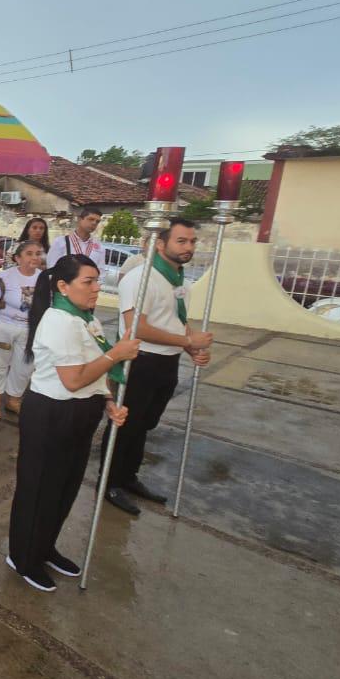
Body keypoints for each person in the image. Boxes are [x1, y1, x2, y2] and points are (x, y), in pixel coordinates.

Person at [7, 254, 136, 592]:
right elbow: (73, 380)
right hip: (52, 413)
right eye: (88, 282)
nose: (96, 289)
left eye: (98, 280)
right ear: (63, 286)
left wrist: (108, 401)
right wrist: (117, 354)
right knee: (38, 489)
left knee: (64, 488)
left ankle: (45, 547)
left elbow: (93, 368)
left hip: (82, 412)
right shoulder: (58, 321)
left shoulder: (84, 317)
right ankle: (23, 558)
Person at [100, 218, 212, 515]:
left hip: (167, 361)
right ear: (160, 244)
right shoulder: (141, 279)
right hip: (140, 361)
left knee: (145, 425)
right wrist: (187, 339)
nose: (188, 247)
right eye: (181, 241)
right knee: (125, 425)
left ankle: (129, 477)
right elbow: (137, 328)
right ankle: (109, 483)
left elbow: (177, 319)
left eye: (192, 241)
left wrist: (191, 347)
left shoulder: (179, 281)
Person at [0, 240, 45, 420]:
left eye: (38, 253)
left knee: (25, 366)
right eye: (29, 253)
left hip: (30, 329)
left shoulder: (44, 279)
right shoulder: (5, 277)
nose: (35, 257)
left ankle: (13, 400)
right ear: (17, 258)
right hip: (4, 325)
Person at [47, 206, 105, 272]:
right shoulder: (61, 242)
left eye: (97, 221)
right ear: (80, 219)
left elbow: (100, 271)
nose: (94, 223)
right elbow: (51, 267)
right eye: (91, 219)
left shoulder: (99, 247)